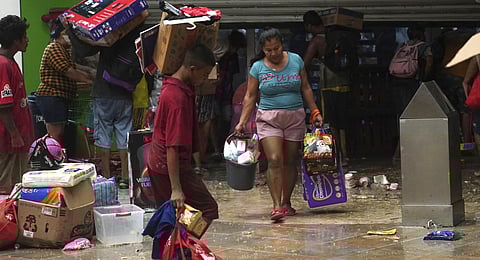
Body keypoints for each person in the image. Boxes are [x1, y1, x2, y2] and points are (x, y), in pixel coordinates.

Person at [234, 28, 323, 221]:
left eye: (276, 48)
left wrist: (314, 110)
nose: (273, 53)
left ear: (282, 45)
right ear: (263, 50)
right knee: (274, 159)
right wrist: (242, 122)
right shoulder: (257, 67)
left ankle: (286, 202)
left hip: (295, 117)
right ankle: (276, 206)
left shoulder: (296, 60)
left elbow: (306, 87)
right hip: (268, 118)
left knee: (291, 160)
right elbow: (250, 96)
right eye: (268, 50)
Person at [64, 19, 143, 187]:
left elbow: (84, 50)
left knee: (103, 138)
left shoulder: (110, 36)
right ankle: (125, 177)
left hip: (104, 94)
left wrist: (69, 29)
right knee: (124, 137)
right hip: (125, 95)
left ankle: (107, 178)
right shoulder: (136, 38)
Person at [147, 44, 218, 223]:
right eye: (203, 75)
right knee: (206, 209)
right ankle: (180, 247)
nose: (204, 79)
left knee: (175, 215)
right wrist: (176, 188)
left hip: (162, 163)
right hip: (168, 165)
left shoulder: (178, 87)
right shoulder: (176, 98)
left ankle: (179, 248)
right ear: (192, 69)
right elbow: (172, 146)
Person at [35, 19, 93, 149]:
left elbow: (74, 68)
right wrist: (91, 81)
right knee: (54, 134)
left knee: (58, 132)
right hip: (52, 96)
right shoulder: (54, 47)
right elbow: (68, 71)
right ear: (62, 33)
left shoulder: (62, 50)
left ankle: (56, 157)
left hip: (58, 97)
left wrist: (90, 74)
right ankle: (52, 159)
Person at [302, 10, 350, 165]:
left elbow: (304, 64)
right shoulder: (337, 34)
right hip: (345, 83)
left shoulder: (317, 41)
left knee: (330, 120)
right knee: (343, 120)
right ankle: (346, 154)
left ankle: (337, 154)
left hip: (328, 85)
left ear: (309, 25)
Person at [0, 15, 34, 194]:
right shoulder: (3, 65)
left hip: (18, 140)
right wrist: (15, 135)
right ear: (15, 40)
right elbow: (3, 107)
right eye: (24, 36)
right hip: (7, 142)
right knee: (6, 188)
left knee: (19, 186)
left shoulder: (12, 62)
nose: (27, 39)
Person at [390, 24, 433, 162]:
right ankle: (403, 153)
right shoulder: (424, 47)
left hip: (398, 84)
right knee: (415, 117)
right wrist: (424, 78)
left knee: (402, 117)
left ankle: (399, 153)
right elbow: (430, 62)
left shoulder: (403, 45)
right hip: (413, 84)